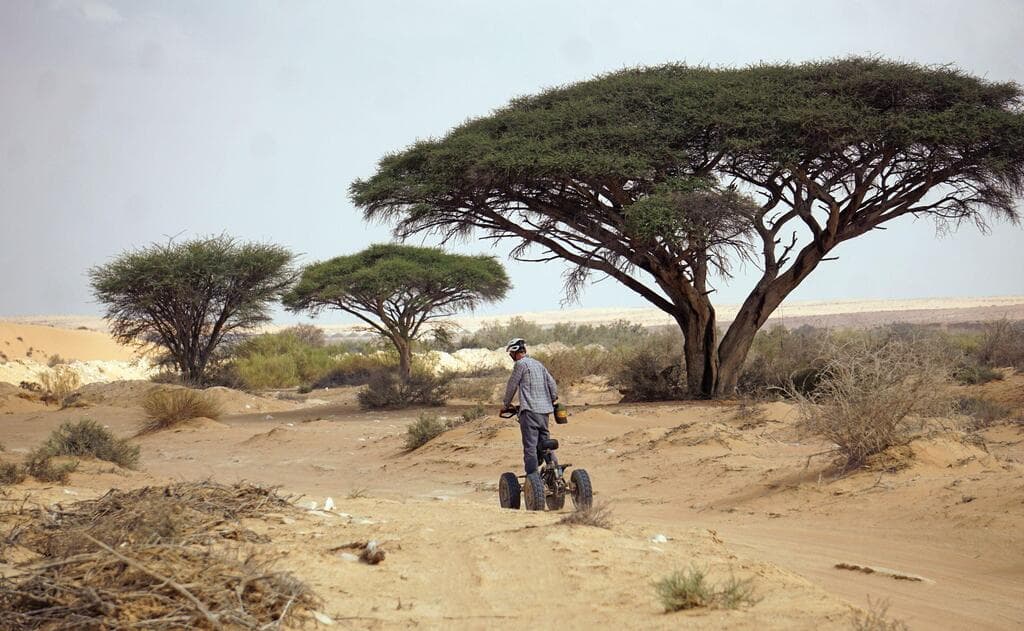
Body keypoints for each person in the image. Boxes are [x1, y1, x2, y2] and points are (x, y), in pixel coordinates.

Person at [502, 337, 559, 475]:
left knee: (530, 446)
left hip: (530, 411)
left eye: (511, 354)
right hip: (544, 412)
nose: (511, 356)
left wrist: (506, 404)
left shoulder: (520, 364)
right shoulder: (538, 364)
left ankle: (532, 477)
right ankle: (555, 471)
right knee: (545, 443)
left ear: (514, 352)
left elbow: (512, 385)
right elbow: (551, 383)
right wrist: (553, 398)